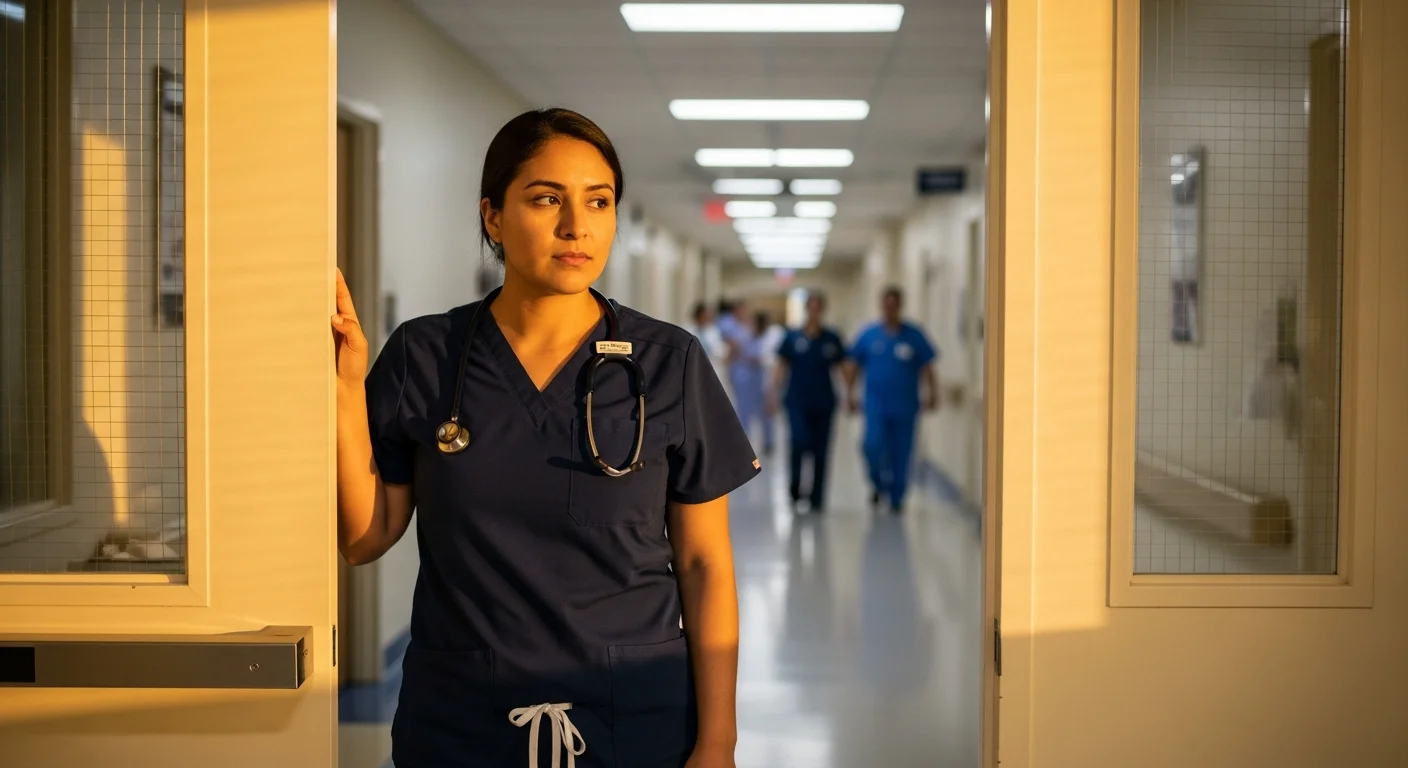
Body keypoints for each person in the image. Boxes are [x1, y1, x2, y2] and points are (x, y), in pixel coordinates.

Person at [331, 107, 759, 768]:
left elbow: (705, 565)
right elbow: (364, 539)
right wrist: (343, 390)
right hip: (462, 716)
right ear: (493, 217)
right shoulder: (426, 355)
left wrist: (719, 741)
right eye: (545, 199)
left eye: (598, 201)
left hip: (632, 716)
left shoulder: (668, 361)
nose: (576, 226)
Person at [843, 286, 940, 513]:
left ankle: (897, 496)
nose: (890, 309)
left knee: (901, 452)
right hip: (875, 405)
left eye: (894, 304)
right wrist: (849, 394)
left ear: (900, 306)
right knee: (871, 446)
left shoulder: (914, 335)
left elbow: (927, 367)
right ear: (881, 306)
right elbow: (853, 366)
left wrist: (933, 393)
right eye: (886, 304)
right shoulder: (869, 335)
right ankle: (877, 483)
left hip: (905, 407)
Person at [769, 292, 846, 512]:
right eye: (810, 307)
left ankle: (817, 497)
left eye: (817, 308)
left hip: (824, 402)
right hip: (796, 400)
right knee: (799, 442)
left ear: (822, 310)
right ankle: (794, 490)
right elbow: (781, 366)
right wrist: (772, 394)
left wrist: (851, 392)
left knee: (821, 450)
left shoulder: (831, 338)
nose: (814, 312)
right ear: (806, 310)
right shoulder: (792, 337)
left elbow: (843, 367)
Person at [717, 299, 772, 456]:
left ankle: (767, 442)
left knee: (762, 410)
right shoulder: (731, 326)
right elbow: (734, 347)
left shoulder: (749, 329)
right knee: (744, 410)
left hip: (755, 373)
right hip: (742, 373)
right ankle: (743, 443)